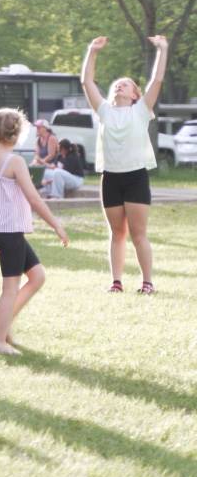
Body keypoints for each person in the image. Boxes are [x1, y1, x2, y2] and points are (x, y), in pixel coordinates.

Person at [0, 109, 69, 354]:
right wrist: (56, 225)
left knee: (37, 276)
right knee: (10, 288)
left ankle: (3, 328)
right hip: (9, 232)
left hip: (0, 231)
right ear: (17, 135)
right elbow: (35, 200)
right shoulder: (15, 162)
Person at [81, 34, 168, 294]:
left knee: (138, 233)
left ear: (135, 95)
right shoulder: (105, 110)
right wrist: (92, 51)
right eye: (117, 84)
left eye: (126, 85)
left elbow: (157, 80)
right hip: (111, 177)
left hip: (135, 177)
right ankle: (116, 282)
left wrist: (162, 49)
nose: (120, 86)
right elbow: (86, 81)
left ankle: (147, 282)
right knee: (117, 233)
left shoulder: (141, 110)